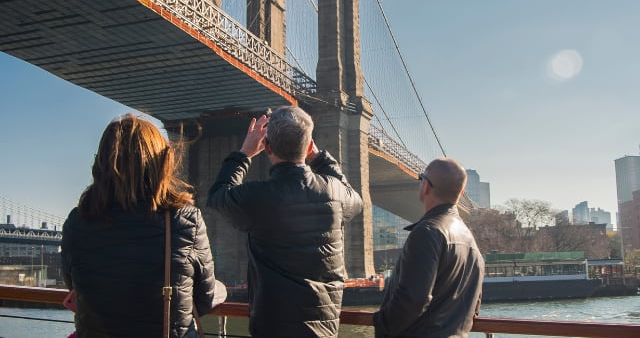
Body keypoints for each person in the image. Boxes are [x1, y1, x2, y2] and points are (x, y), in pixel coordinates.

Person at [61, 114, 226, 338]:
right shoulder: (185, 221)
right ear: (160, 163)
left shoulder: (77, 222)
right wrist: (222, 290)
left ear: (101, 164)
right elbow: (204, 299)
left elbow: (75, 286)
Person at [207, 106, 363, 337]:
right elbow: (357, 202)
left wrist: (243, 154)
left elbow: (218, 197)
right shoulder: (335, 192)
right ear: (310, 146)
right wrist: (320, 159)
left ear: (267, 146)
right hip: (324, 330)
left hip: (272, 327)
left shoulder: (257, 197)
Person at [373, 158, 484, 338]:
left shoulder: (426, 233)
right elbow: (474, 307)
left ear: (425, 186)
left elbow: (413, 300)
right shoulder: (471, 242)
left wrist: (381, 324)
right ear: (461, 192)